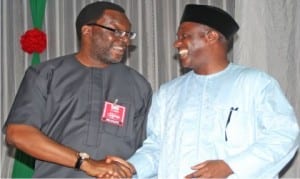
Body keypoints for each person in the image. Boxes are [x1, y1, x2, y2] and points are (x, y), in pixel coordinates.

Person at [105, 4, 300, 178]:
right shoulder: (168, 93)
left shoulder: (255, 84)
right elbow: (157, 148)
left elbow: (283, 136)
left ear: (211, 37)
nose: (176, 44)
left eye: (184, 36)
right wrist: (129, 169)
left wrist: (229, 166)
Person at [3, 1, 152, 178]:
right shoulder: (46, 74)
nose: (125, 40)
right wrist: (84, 163)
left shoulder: (138, 85)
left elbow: (146, 148)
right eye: (116, 31)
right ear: (87, 30)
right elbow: (18, 133)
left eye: (128, 34)